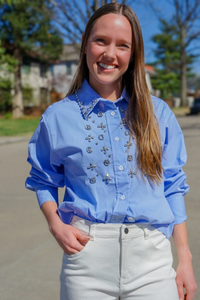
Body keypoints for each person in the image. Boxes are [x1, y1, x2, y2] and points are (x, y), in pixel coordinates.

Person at [25, 3, 197, 300]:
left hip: (152, 263)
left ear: (133, 54)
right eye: (101, 40)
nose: (110, 54)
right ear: (85, 45)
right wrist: (56, 226)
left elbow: (172, 185)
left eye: (122, 45)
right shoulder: (57, 117)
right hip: (87, 262)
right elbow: (43, 180)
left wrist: (185, 259)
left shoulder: (158, 114)